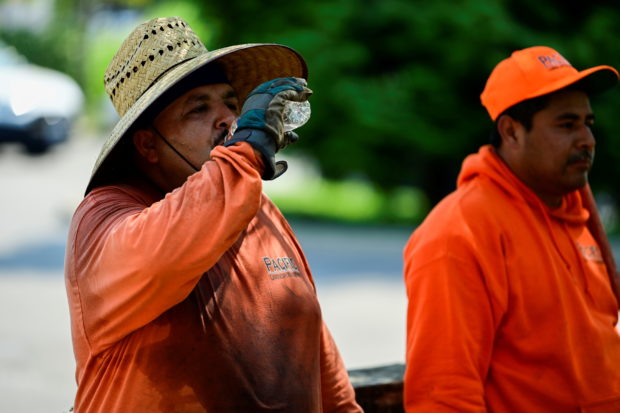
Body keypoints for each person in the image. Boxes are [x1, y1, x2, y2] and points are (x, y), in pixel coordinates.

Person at [64, 16, 362, 413]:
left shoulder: (254, 204)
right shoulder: (103, 216)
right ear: (148, 145)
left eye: (231, 103)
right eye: (198, 108)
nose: (227, 119)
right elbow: (164, 253)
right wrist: (248, 151)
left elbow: (316, 354)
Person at [403, 46, 620, 412]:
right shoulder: (457, 235)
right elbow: (443, 396)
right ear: (511, 131)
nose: (588, 140)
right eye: (567, 125)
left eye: (588, 123)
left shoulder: (574, 215)